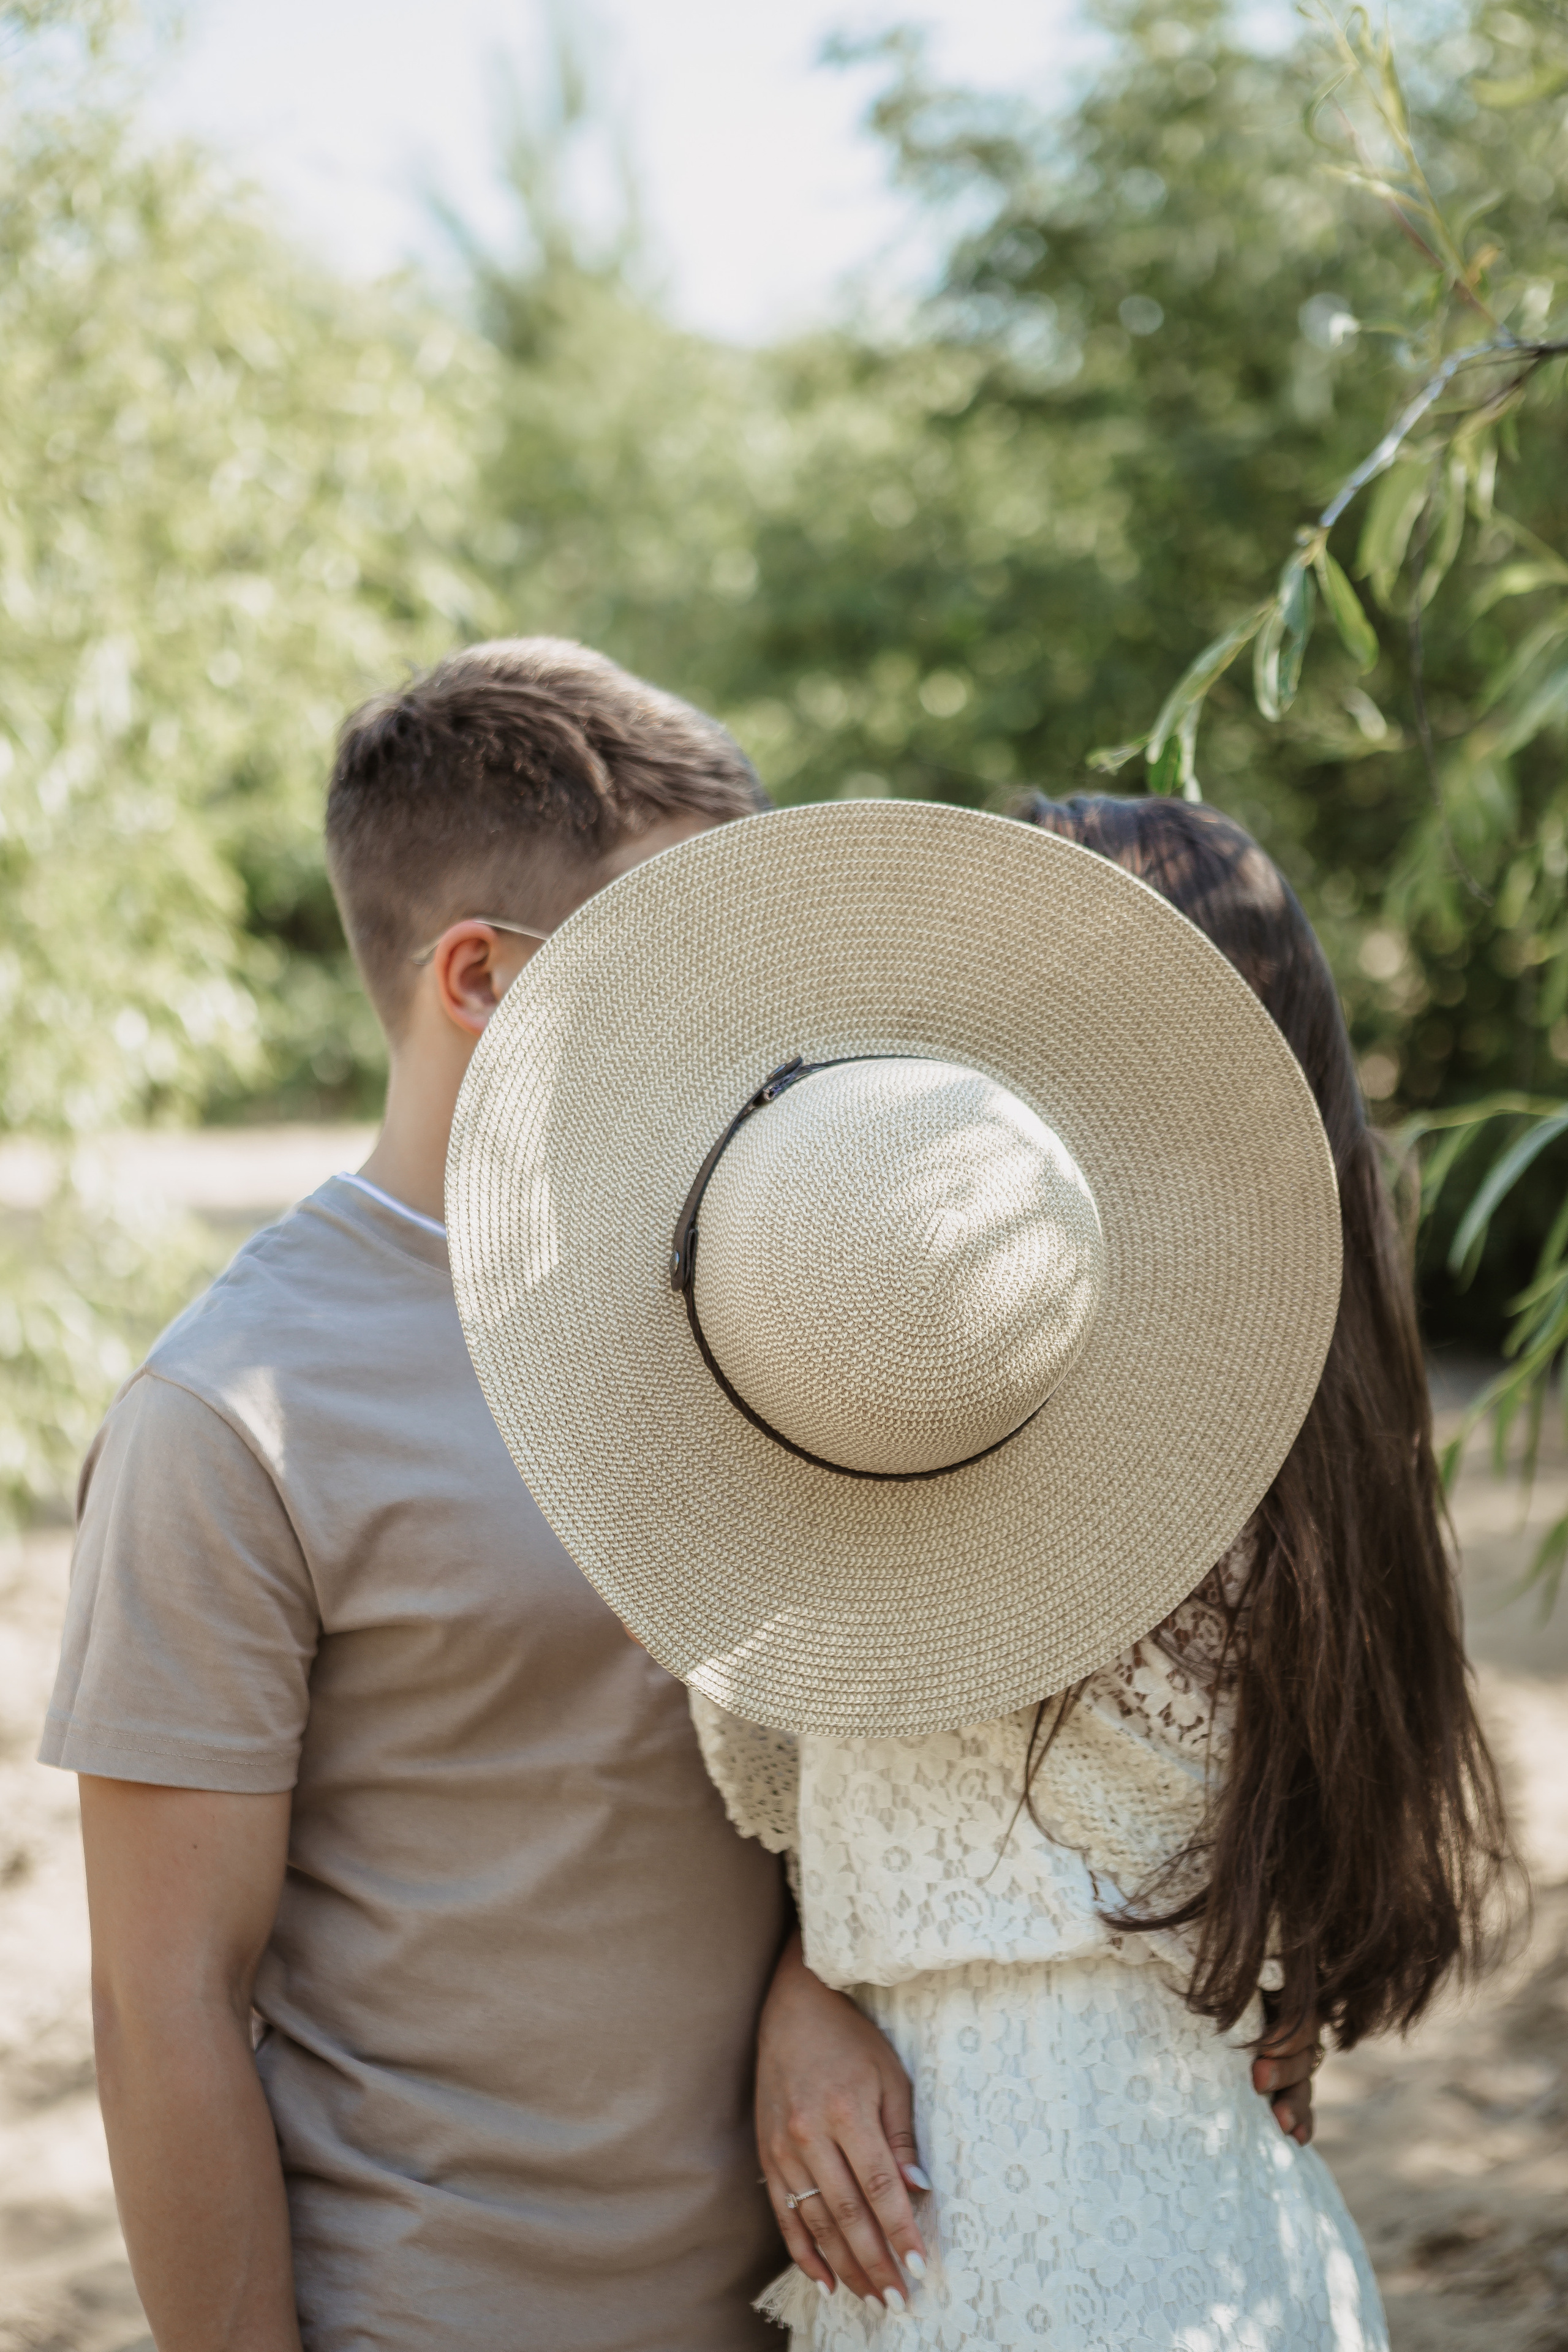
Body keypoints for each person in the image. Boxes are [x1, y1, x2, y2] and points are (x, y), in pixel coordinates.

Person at [436, 788, 1511, 2349]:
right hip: (1223, 2215)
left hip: (981, 2238)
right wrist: (817, 1978)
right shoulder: (1313, 1441)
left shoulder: (960, 1391)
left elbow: (787, 1706)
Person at [39, 639, 913, 2352]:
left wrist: (816, 1970)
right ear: (480, 981)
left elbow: (880, 1733)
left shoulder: (762, 1281)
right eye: (678, 942)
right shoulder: (229, 1414)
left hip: (831, 2313)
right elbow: (164, 2012)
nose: (741, 997)